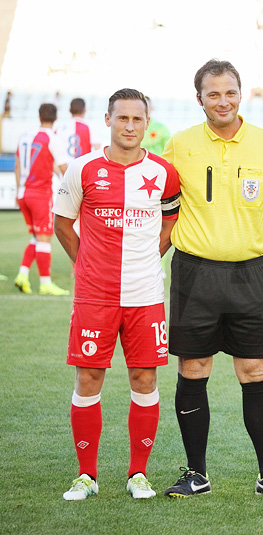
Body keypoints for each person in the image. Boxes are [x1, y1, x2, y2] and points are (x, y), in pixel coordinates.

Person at [162, 59, 263, 499]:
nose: (223, 101)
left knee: (255, 371)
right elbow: (160, 203)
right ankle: (195, 473)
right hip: (193, 273)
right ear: (198, 97)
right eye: (213, 93)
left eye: (230, 92)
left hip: (248, 274)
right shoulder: (179, 145)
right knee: (193, 368)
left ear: (242, 93)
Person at [53, 88, 181, 500]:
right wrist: (86, 264)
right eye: (122, 118)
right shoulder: (82, 168)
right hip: (95, 296)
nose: (129, 126)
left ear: (148, 122)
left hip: (145, 295)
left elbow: (168, 228)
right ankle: (86, 475)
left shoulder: (165, 172)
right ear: (107, 120)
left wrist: (145, 261)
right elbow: (62, 225)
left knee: (144, 378)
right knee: (89, 378)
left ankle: (137, 474)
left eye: (137, 119)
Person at [14, 103, 71, 295]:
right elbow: (65, 169)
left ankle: (22, 274)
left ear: (39, 117)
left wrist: (18, 191)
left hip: (23, 193)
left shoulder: (25, 136)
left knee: (36, 237)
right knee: (45, 238)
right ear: (55, 118)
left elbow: (17, 165)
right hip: (40, 194)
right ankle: (45, 283)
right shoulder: (52, 138)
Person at [55, 98, 95, 162]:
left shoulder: (59, 128)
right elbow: (97, 148)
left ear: (69, 110)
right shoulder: (89, 126)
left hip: (64, 169)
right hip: (83, 168)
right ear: (84, 110)